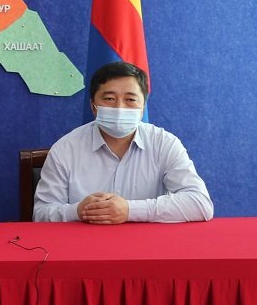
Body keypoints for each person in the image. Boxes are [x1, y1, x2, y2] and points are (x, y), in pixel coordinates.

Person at [33, 61, 213, 224]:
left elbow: (200, 204)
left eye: (130, 100)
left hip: (148, 245)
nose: (120, 108)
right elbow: (41, 214)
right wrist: (78, 211)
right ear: (93, 106)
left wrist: (130, 210)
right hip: (84, 244)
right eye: (109, 99)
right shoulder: (65, 149)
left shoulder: (164, 144)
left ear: (142, 108)